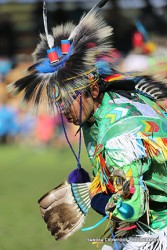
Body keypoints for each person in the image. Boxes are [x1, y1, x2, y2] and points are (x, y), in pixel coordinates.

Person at [8, 0, 167, 249]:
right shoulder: (108, 101)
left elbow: (129, 210)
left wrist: (95, 199)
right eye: (57, 101)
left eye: (69, 99)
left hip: (157, 228)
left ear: (93, 89)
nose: (63, 109)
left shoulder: (118, 136)